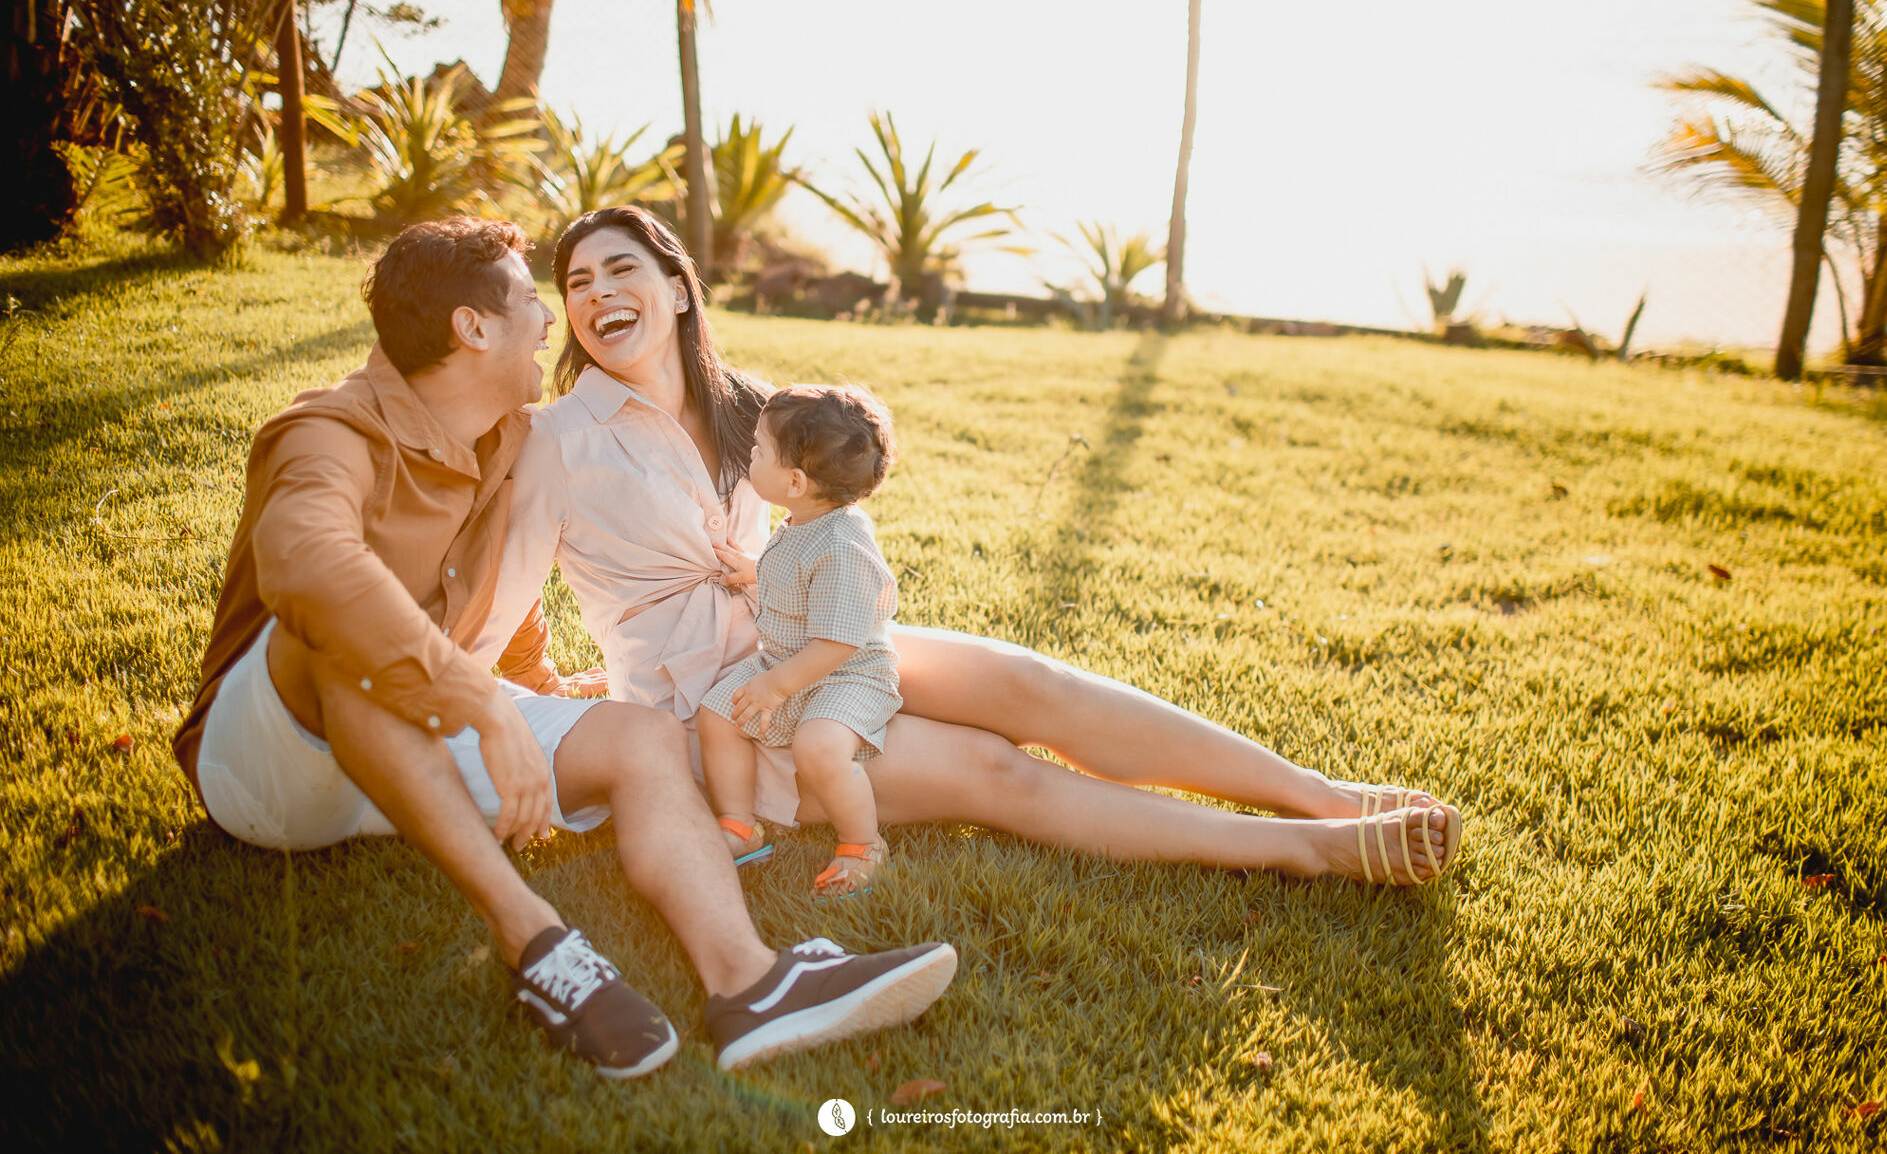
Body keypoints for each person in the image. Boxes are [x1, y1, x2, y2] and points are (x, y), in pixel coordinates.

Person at [170, 218, 956, 1080]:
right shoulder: (323, 434)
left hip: (414, 741)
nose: (554, 320)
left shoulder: (508, 436)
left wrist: (530, 683)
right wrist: (477, 704)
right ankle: (541, 947)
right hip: (275, 762)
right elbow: (310, 572)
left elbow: (493, 568)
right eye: (532, 299)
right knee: (338, 641)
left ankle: (751, 985)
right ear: (473, 327)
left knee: (641, 734)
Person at [482, 206, 1461, 888]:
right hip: (727, 713)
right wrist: (520, 699)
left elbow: (825, 528)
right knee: (998, 771)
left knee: (1031, 684)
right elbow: (491, 609)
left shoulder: (752, 406)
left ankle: (1321, 797)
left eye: (623, 269)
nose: (599, 293)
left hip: (810, 641)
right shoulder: (558, 438)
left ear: (678, 289)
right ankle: (1304, 853)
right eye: (577, 281)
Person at [696, 384, 904, 897]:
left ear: (794, 481)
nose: (750, 452)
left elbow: (837, 644)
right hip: (790, 660)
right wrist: (754, 572)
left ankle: (862, 843)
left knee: (819, 748)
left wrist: (775, 686)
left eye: (759, 450)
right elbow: (799, 578)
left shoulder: (841, 543)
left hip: (848, 673)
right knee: (717, 714)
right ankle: (739, 827)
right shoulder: (808, 519)